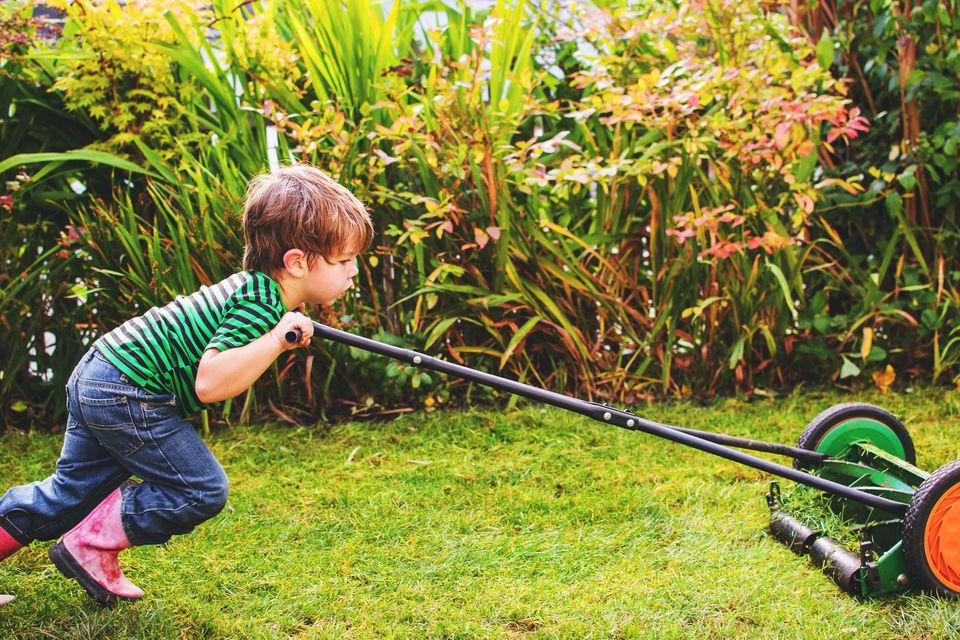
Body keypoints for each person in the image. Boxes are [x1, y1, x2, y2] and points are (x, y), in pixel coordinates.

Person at [0, 164, 373, 606]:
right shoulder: (261, 303)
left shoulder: (255, 292)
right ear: (296, 262)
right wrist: (276, 339)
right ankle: (90, 544)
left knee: (71, 492)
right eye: (345, 260)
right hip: (127, 389)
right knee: (200, 488)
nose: (352, 272)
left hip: (103, 371)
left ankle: (89, 548)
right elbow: (211, 383)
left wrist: (280, 335)